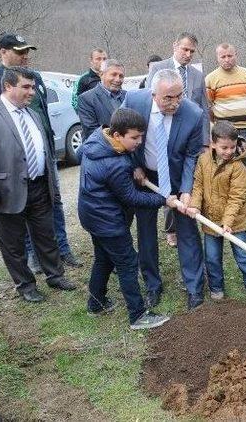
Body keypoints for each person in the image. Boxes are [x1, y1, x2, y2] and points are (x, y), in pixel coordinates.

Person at [0, 33, 81, 274]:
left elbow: (41, 114)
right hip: (10, 168)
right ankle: (32, 258)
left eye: (27, 52)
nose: (25, 56)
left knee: (54, 205)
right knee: (18, 213)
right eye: (20, 52)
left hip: (43, 159)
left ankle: (62, 250)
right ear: (2, 52)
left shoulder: (36, 78)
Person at [77, 108, 175, 329]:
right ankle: (138, 315)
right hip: (107, 220)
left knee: (103, 258)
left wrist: (135, 165)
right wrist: (164, 200)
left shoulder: (96, 138)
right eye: (134, 138)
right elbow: (132, 197)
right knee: (128, 263)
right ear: (117, 135)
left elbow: (78, 155)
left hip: (90, 214)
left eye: (141, 136)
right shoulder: (116, 164)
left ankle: (96, 304)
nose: (139, 142)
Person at [121, 69, 205, 310]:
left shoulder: (193, 114)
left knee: (187, 231)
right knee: (146, 231)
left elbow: (191, 156)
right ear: (153, 94)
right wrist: (133, 166)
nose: (175, 102)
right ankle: (152, 285)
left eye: (179, 95)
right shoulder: (134, 101)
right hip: (145, 177)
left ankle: (194, 288)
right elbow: (121, 138)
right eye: (168, 98)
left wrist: (187, 189)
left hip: (177, 178)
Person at [186, 121, 246, 307]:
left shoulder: (238, 167)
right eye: (224, 147)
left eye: (232, 147)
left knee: (244, 255)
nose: (229, 151)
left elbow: (236, 198)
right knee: (212, 257)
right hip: (209, 220)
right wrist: (195, 205)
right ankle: (216, 288)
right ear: (213, 143)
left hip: (235, 222)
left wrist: (227, 221)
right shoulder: (203, 160)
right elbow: (198, 185)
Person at [146, 32, 210, 247]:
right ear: (175, 46)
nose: (188, 54)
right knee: (165, 183)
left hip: (188, 139)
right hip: (161, 133)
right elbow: (149, 101)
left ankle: (179, 226)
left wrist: (205, 142)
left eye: (192, 51)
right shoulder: (158, 68)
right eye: (185, 49)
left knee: (184, 184)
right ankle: (169, 229)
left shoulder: (197, 74)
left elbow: (204, 108)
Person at [205, 43, 246, 211]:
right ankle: (226, 205)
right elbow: (209, 106)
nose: (227, 59)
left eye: (230, 56)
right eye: (223, 56)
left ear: (235, 54)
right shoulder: (211, 79)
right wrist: (216, 128)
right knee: (224, 168)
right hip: (224, 133)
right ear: (217, 58)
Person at [77, 59, 126, 140]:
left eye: (121, 76)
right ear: (101, 74)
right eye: (113, 75)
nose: (118, 79)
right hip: (104, 150)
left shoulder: (128, 96)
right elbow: (92, 132)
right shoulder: (86, 99)